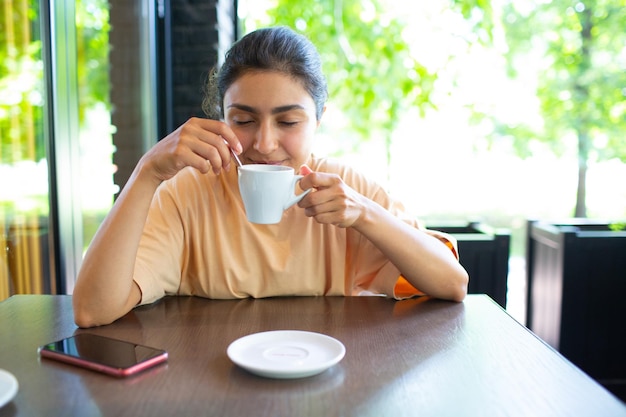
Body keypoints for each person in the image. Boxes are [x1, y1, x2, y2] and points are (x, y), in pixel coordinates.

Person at [73, 26, 468, 328]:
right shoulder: (186, 192)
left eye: (288, 121)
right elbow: (92, 310)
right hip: (210, 374)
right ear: (221, 117)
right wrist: (146, 173)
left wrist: (365, 215)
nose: (263, 143)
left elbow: (453, 284)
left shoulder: (348, 189)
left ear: (319, 119)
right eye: (243, 120)